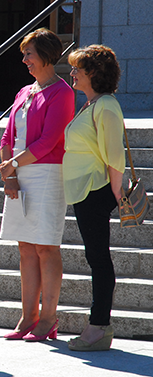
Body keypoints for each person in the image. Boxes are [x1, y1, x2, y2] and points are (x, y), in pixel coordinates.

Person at [0, 28, 75, 341]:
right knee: (25, 248)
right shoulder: (24, 92)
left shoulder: (63, 92)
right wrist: (11, 175)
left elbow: (50, 140)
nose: (25, 60)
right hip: (20, 172)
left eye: (29, 53)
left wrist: (13, 165)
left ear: (46, 55)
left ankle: (48, 319)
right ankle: (28, 316)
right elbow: (7, 137)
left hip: (46, 173)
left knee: (45, 246)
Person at [64, 45, 125, 351]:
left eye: (78, 68)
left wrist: (115, 193)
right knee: (95, 257)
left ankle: (98, 327)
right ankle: (98, 326)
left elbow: (115, 156)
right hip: (85, 190)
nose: (72, 73)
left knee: (98, 259)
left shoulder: (106, 106)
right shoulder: (91, 104)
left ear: (94, 74)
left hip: (96, 190)